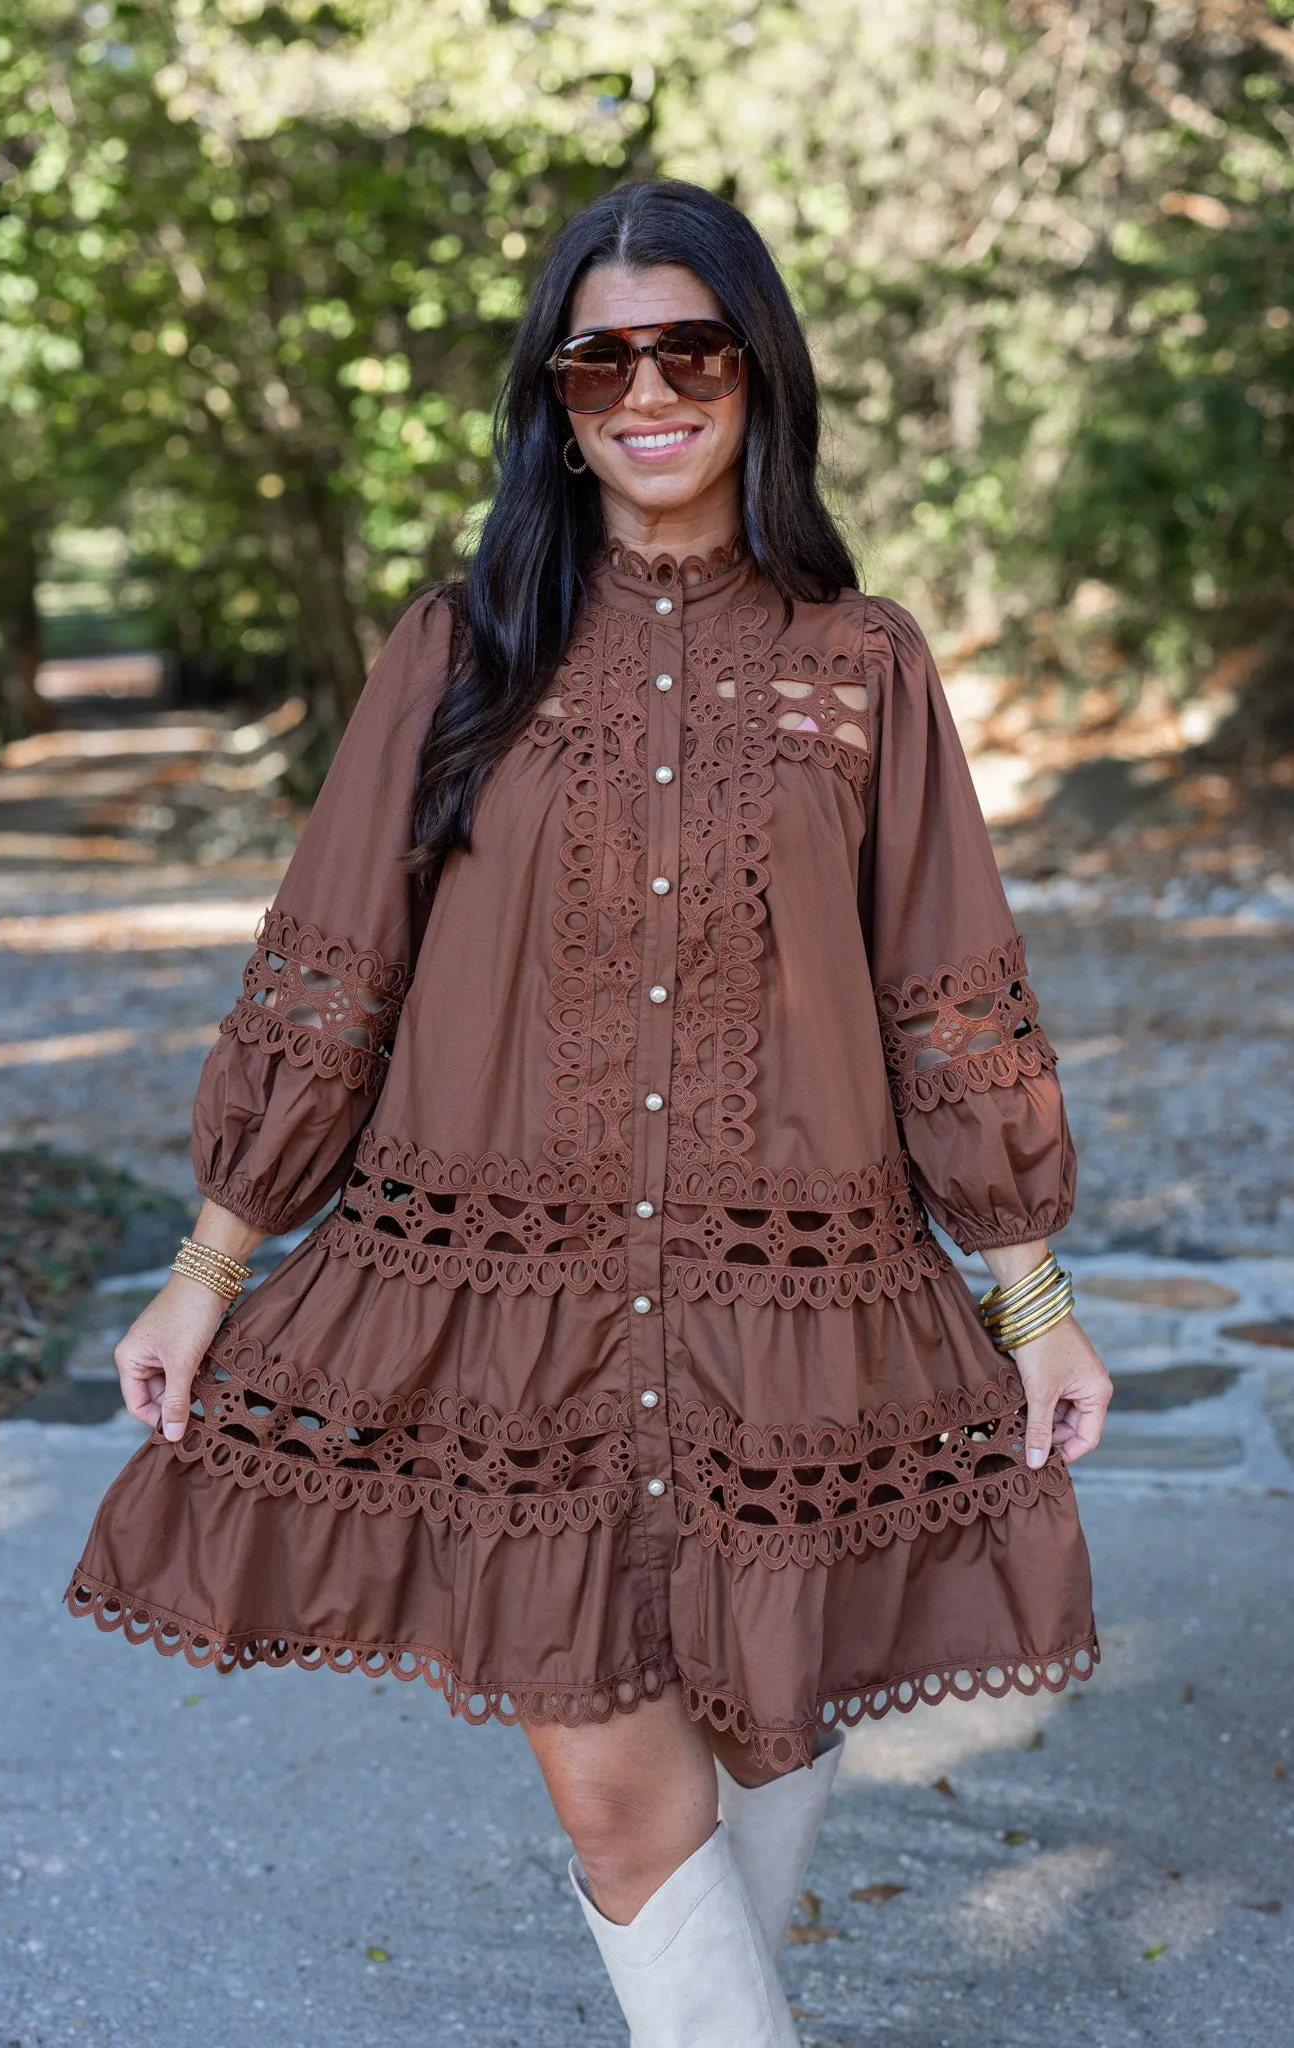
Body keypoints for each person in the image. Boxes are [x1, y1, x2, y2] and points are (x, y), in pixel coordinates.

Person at [68, 179, 1113, 2045]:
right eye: (598, 356)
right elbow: (332, 973)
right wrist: (207, 1268)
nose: (647, 389)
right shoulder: (450, 654)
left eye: (688, 347)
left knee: (760, 1731)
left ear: (756, 373)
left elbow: (942, 984)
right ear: (552, 398)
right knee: (622, 1798)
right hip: (510, 1328)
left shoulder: (860, 665)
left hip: (795, 1318)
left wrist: (1028, 1295)